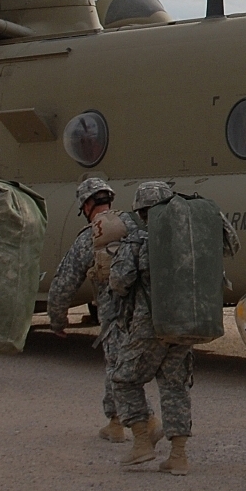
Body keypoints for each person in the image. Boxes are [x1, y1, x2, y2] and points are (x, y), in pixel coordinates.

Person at [108, 180, 239, 476]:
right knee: (174, 384)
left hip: (150, 324)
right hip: (186, 321)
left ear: (142, 212)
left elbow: (119, 281)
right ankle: (178, 455)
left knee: (124, 379)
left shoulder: (139, 241)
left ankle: (142, 442)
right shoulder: (196, 237)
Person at [48, 177, 142, 444]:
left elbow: (64, 282)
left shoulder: (89, 237)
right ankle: (120, 422)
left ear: (87, 205)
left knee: (116, 366)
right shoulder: (135, 225)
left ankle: (131, 423)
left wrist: (57, 320)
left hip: (114, 314)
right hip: (144, 310)